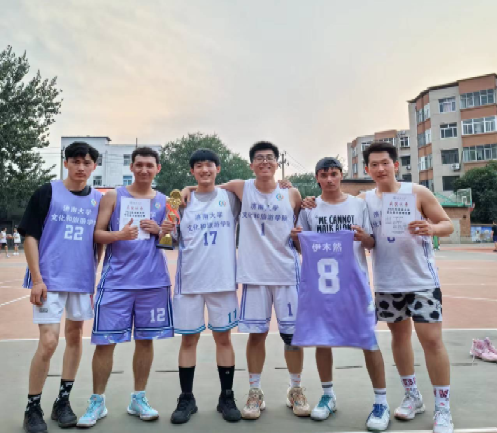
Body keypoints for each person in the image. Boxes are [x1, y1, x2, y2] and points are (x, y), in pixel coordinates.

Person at [302, 141, 455, 433]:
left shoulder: (417, 192)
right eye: (374, 164)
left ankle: (443, 408)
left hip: (422, 281)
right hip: (387, 282)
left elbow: (447, 224)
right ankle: (412, 396)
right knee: (399, 340)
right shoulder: (364, 200)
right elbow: (334, 201)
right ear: (367, 169)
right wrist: (309, 200)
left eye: (385, 163)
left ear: (395, 165)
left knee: (432, 341)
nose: (380, 168)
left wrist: (432, 228)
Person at [182, 141, 308, 420]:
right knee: (257, 335)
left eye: (270, 158)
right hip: (254, 275)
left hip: (287, 273)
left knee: (293, 337)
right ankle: (255, 391)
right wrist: (188, 189)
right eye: (259, 158)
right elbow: (208, 186)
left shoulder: (292, 193)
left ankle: (296, 388)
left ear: (277, 163)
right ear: (251, 165)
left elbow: (301, 232)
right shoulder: (241, 187)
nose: (265, 162)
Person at [290, 157, 390, 431]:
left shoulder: (358, 205)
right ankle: (328, 395)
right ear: (317, 178)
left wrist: (363, 237)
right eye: (324, 175)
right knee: (322, 341)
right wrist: (297, 238)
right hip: (321, 287)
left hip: (354, 285)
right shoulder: (310, 208)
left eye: (334, 174)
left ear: (341, 175)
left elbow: (371, 243)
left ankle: (381, 401)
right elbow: (301, 248)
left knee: (369, 341)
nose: (330, 179)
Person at [77, 147, 173, 428]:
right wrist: (118, 235)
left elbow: (171, 242)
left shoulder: (166, 201)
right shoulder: (114, 196)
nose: (144, 170)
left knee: (145, 341)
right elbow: (96, 234)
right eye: (139, 165)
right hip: (117, 282)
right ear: (131, 167)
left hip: (153, 282)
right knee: (105, 342)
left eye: (149, 165)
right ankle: (97, 401)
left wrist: (161, 231)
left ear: (158, 169)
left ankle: (138, 398)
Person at [18, 141, 102, 433]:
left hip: (80, 280)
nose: (81, 167)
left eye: (87, 162)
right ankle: (33, 407)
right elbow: (30, 236)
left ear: (94, 167)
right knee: (49, 342)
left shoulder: (98, 200)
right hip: (50, 279)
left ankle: (62, 402)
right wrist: (37, 279)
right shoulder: (47, 192)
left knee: (75, 337)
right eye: (76, 161)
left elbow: (100, 239)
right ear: (66, 163)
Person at [162, 149, 242, 424]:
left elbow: (260, 190)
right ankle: (187, 398)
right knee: (188, 340)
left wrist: (287, 186)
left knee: (224, 339)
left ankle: (226, 396)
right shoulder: (178, 201)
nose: (204, 169)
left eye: (209, 165)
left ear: (218, 169)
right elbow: (167, 240)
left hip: (222, 281)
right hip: (190, 282)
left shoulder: (230, 198)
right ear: (192, 171)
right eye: (198, 166)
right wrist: (165, 229)